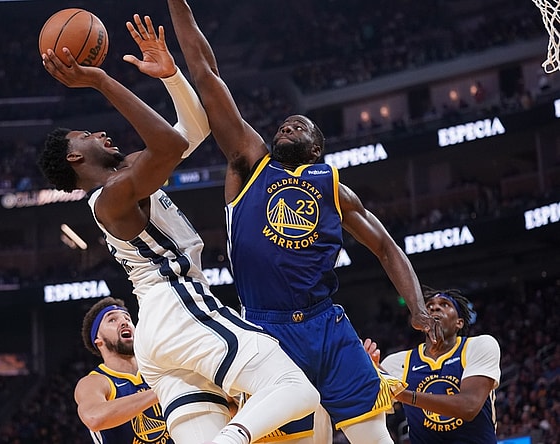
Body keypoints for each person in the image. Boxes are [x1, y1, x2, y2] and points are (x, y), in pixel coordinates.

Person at [163, 1, 442, 442]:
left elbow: (386, 248)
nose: (287, 127)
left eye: (299, 126)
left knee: (375, 438)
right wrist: (178, 4)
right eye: (284, 125)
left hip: (326, 325)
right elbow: (206, 74)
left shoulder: (333, 187)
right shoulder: (249, 163)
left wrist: (418, 307)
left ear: (316, 149)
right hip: (265, 330)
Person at [38, 15, 319, 444]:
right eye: (86, 135)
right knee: (296, 389)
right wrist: (101, 81)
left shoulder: (129, 172)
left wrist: (170, 75)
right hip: (181, 307)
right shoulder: (111, 197)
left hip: (159, 334)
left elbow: (193, 131)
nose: (100, 133)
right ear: (74, 158)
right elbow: (169, 145)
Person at [374, 287, 501, 443]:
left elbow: (469, 407)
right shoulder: (396, 362)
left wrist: (403, 394)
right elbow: (369, 408)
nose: (435, 307)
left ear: (459, 323)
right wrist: (366, 367)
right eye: (429, 306)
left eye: (445, 304)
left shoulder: (478, 346)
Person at [75, 297, 174, 443]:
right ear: (98, 339)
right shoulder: (95, 381)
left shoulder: (159, 368)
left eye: (127, 318)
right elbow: (94, 418)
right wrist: (161, 390)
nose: (124, 322)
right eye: (112, 320)